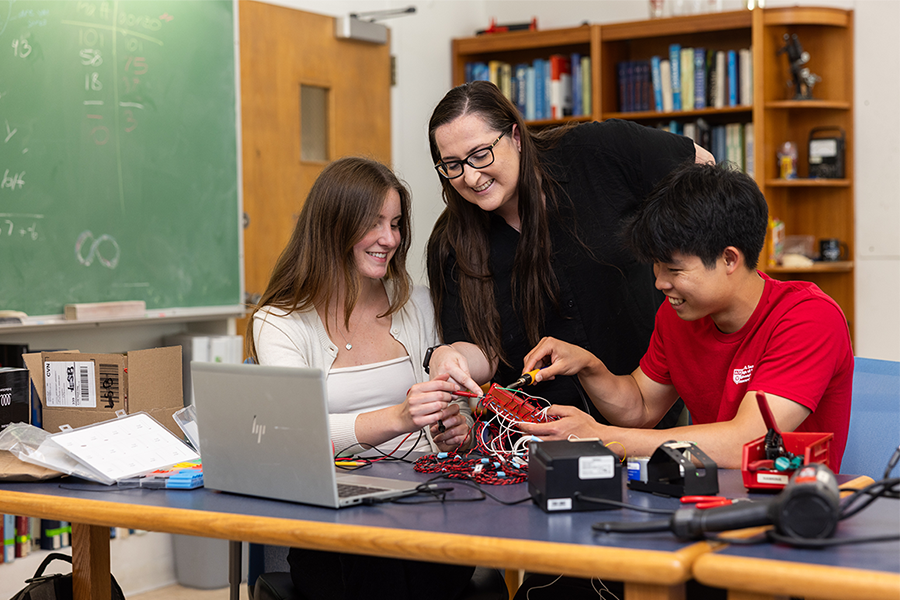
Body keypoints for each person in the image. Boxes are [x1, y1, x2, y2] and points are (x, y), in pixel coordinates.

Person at [518, 162, 854, 470]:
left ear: (729, 260)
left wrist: (600, 437)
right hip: (706, 497)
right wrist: (589, 366)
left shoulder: (809, 318)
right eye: (656, 266)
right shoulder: (679, 315)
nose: (660, 283)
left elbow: (748, 444)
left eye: (674, 270)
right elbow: (640, 409)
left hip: (792, 512)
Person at [247, 156, 475, 600]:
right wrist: (399, 416)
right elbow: (293, 434)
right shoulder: (280, 322)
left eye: (395, 224)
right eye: (374, 224)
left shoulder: (418, 304)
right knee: (373, 566)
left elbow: (456, 407)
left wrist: (455, 425)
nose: (389, 239)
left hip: (423, 503)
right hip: (332, 520)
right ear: (335, 225)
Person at [424, 80, 714, 422]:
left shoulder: (596, 151)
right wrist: (450, 356)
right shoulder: (450, 243)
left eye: (480, 154)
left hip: (652, 409)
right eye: (453, 165)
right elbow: (483, 350)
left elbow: (702, 166)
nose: (471, 178)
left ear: (515, 137)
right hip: (539, 430)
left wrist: (674, 264)